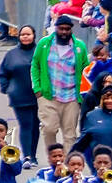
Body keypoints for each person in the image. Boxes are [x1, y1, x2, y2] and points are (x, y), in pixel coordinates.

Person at [32, 16, 89, 154]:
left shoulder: (79, 46)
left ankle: (69, 166)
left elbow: (86, 70)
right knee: (49, 128)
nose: (64, 32)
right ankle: (54, 159)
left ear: (71, 30)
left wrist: (83, 94)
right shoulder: (44, 44)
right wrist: (37, 89)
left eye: (67, 29)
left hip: (71, 97)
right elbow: (35, 65)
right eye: (61, 28)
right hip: (48, 95)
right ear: (56, 28)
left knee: (70, 134)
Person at [0, 25, 41, 165]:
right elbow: (3, 73)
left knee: (35, 125)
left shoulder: (39, 52)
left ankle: (33, 155)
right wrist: (6, 88)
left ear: (34, 35)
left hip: (38, 95)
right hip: (19, 95)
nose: (25, 37)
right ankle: (27, 156)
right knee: (26, 124)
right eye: (22, 34)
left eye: (28, 34)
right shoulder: (11, 54)